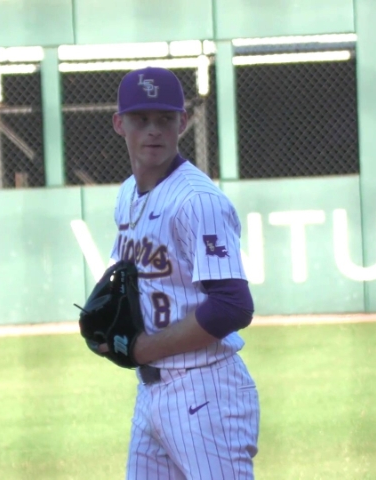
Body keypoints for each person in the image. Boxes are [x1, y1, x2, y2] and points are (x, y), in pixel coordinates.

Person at [102, 67, 260, 479]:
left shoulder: (197, 201)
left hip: (206, 390)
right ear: (120, 124)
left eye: (164, 119)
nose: (153, 130)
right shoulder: (126, 194)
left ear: (182, 123)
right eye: (141, 119)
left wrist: (143, 348)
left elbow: (232, 306)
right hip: (151, 393)